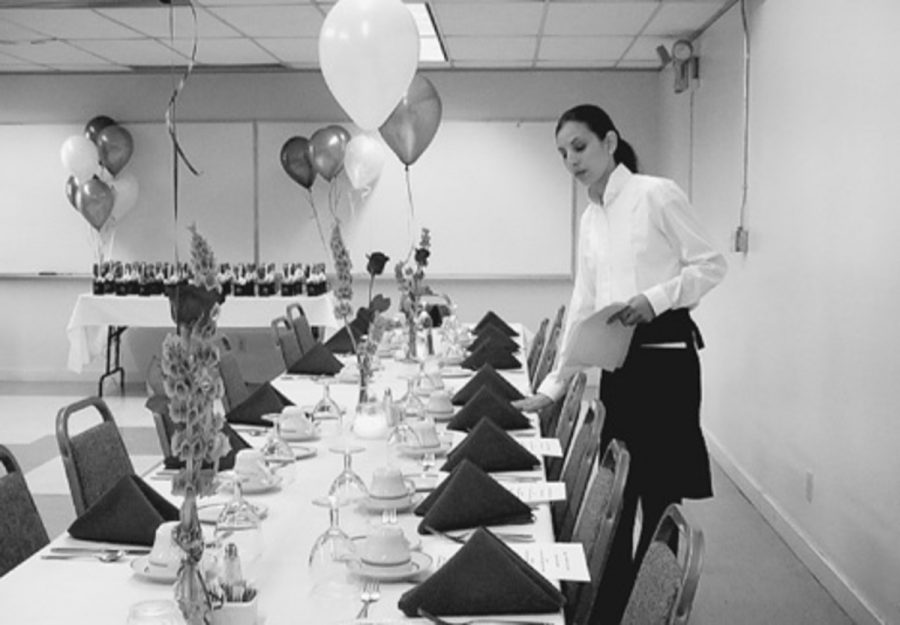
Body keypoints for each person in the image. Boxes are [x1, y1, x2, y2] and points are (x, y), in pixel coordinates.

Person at [514, 104, 726, 622]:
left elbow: (710, 264)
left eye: (579, 147)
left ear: (610, 142)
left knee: (658, 500)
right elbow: (583, 306)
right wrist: (556, 384)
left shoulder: (656, 193)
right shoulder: (591, 217)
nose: (571, 160)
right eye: (563, 153)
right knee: (617, 497)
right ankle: (609, 610)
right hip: (618, 370)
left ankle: (651, 608)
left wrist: (655, 298)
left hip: (665, 364)